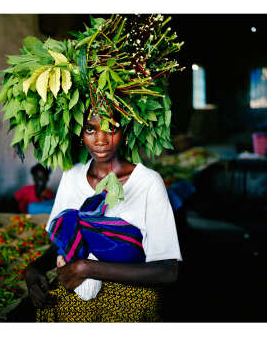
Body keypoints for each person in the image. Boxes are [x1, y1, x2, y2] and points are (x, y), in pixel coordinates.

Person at [25, 113, 182, 322]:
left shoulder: (148, 183)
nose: (100, 139)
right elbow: (64, 241)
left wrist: (87, 268)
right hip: (77, 296)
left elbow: (167, 271)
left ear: (125, 130)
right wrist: (35, 268)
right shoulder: (72, 175)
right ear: (80, 132)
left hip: (130, 300)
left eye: (111, 128)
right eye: (90, 129)